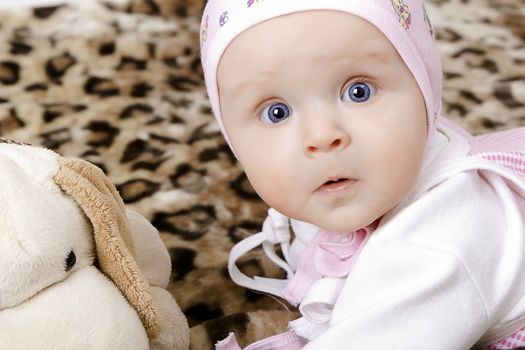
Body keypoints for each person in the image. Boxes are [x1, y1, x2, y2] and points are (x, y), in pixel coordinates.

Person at [199, 0, 525, 349]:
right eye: (276, 113)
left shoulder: (438, 245)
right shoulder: (371, 170)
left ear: (426, 93)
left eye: (359, 91)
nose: (322, 135)